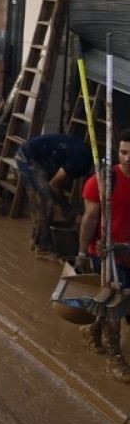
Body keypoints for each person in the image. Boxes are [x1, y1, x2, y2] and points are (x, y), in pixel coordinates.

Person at [76, 128, 130, 382]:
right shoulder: (103, 182)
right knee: (114, 304)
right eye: (123, 152)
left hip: (127, 251)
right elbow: (90, 219)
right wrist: (82, 251)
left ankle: (92, 330)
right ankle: (115, 358)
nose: (127, 157)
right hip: (106, 254)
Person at [17, 133, 94, 257]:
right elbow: (54, 184)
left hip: (34, 156)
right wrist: (68, 210)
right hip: (29, 157)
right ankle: (43, 248)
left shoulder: (85, 161)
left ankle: (35, 239)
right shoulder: (82, 160)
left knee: (41, 200)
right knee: (45, 201)